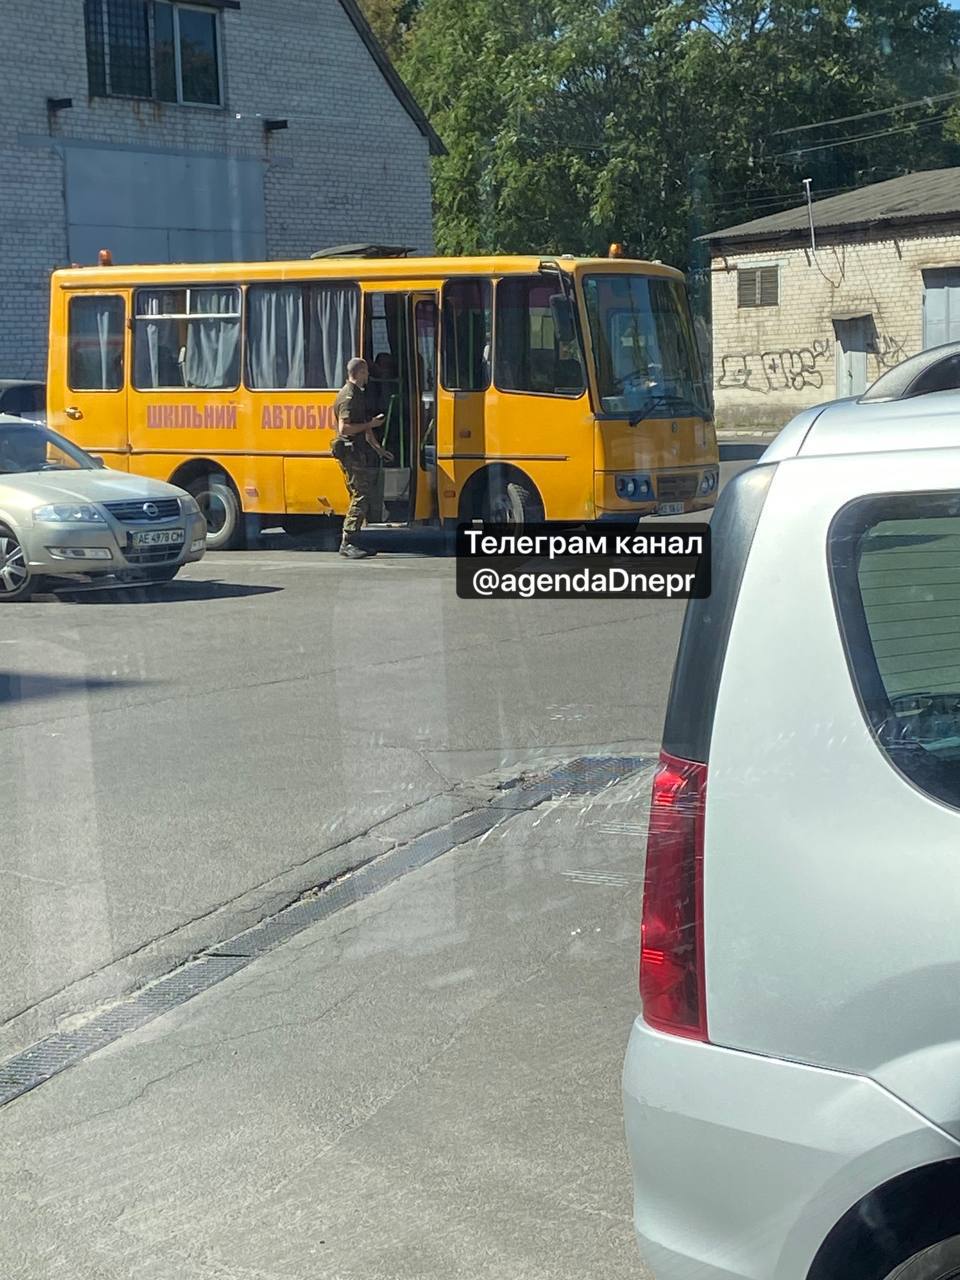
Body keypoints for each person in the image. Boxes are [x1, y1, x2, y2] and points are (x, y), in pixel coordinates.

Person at [333, 357, 393, 559]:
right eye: (366, 372)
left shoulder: (359, 394)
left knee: (361, 494)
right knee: (361, 494)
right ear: (358, 373)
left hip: (358, 451)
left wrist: (379, 450)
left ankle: (354, 540)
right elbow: (345, 428)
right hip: (350, 452)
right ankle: (348, 541)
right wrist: (372, 425)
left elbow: (365, 426)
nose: (368, 376)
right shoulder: (348, 396)